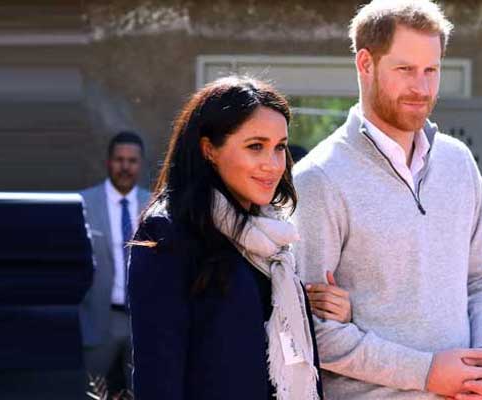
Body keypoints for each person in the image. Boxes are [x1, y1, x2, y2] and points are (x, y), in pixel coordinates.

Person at [293, 1, 482, 399]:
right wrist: (427, 372)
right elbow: (312, 330)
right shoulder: (319, 179)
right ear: (366, 64)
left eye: (432, 70)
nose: (422, 88)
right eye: (405, 70)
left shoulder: (458, 162)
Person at [127, 76, 349, 400]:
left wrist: (328, 313)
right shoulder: (169, 234)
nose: (273, 165)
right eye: (255, 146)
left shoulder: (275, 239)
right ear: (209, 150)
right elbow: (158, 377)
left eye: (280, 147)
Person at [79, 131, 151, 393]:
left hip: (142, 319)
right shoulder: (84, 203)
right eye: (119, 160)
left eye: (132, 161)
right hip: (99, 319)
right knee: (90, 391)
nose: (125, 167)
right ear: (109, 162)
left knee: (144, 391)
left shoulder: (154, 204)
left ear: (140, 164)